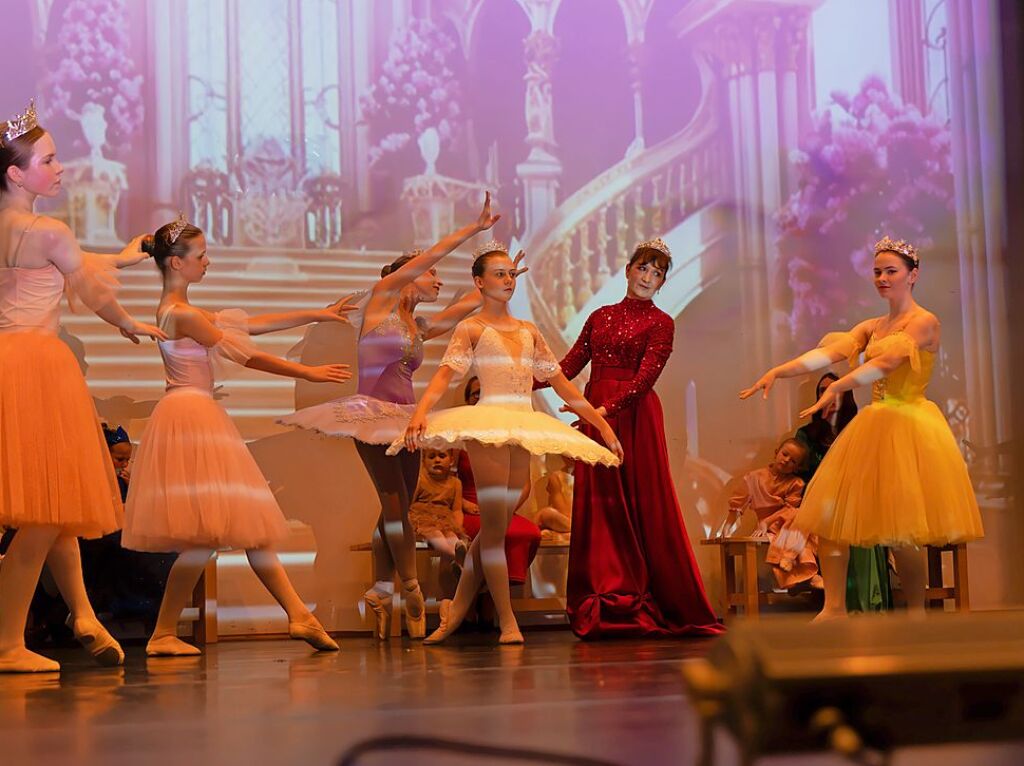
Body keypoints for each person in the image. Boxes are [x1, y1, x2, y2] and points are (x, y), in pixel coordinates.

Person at [122, 213, 352, 656]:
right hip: (191, 418)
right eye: (201, 255)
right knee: (213, 536)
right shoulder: (181, 313)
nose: (207, 261)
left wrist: (317, 313)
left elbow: (252, 325)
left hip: (196, 411)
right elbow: (246, 355)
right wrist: (307, 371)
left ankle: (296, 617)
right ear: (177, 263)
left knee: (243, 532)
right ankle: (166, 632)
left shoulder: (182, 310)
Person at [279, 193, 504, 640]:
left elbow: (463, 308)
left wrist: (497, 281)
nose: (437, 281)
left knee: (396, 506)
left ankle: (382, 587)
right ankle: (411, 586)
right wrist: (473, 230)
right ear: (412, 275)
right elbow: (432, 255)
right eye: (431, 274)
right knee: (396, 505)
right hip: (370, 416)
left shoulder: (417, 326)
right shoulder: (380, 303)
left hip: (407, 417)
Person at [0, 100, 167, 672]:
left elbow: (76, 264)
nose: (61, 167)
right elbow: (89, 290)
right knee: (42, 515)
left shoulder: (25, 230)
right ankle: (7, 643)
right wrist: (129, 322)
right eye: (48, 160)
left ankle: (83, 613)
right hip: (38, 367)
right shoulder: (47, 229)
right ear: (16, 174)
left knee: (51, 498)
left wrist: (123, 257)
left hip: (6, 362)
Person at [741, 235, 984, 619]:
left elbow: (886, 365)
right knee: (834, 521)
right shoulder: (873, 325)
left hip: (908, 425)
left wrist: (840, 384)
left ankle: (917, 612)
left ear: (912, 274)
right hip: (873, 427)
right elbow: (827, 353)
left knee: (902, 530)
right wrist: (779, 371)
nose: (883, 278)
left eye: (891, 271)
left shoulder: (924, 322)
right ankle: (834, 608)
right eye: (877, 272)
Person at [397, 239, 624, 645]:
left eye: (511, 274)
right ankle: (507, 620)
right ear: (478, 283)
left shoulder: (529, 330)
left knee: (495, 528)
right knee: (495, 529)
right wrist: (419, 412)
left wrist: (602, 426)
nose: (508, 280)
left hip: (522, 422)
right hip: (488, 423)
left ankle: (455, 613)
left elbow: (564, 387)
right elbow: (445, 376)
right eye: (498, 274)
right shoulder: (471, 327)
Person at [550, 238, 724, 639]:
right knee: (600, 505)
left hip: (634, 415)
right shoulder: (599, 316)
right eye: (643, 268)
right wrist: (527, 376)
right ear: (627, 270)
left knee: (644, 501)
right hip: (598, 411)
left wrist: (601, 412)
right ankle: (603, 591)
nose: (648, 277)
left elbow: (645, 380)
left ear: (662, 283)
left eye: (657, 273)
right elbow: (571, 364)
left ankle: (648, 596)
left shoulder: (662, 322)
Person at [795, 374, 890, 612]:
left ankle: (869, 606)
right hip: (824, 502)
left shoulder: (860, 428)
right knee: (833, 527)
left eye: (835, 389)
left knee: (863, 529)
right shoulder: (807, 434)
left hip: (859, 498)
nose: (828, 395)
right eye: (822, 391)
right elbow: (803, 473)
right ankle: (836, 608)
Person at [717, 438, 822, 590]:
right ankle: (808, 576)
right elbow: (737, 505)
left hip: (788, 523)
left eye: (793, 461)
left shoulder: (796, 483)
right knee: (799, 526)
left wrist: (767, 522)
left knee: (799, 517)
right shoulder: (753, 477)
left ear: (797, 467)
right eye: (785, 454)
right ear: (776, 453)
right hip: (769, 527)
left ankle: (791, 563)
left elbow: (790, 510)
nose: (786, 460)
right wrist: (726, 528)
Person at [409, 448, 468, 566]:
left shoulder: (455, 483)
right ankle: (456, 558)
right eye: (431, 457)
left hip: (444, 518)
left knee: (450, 534)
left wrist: (457, 527)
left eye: (442, 456)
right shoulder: (420, 479)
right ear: (423, 461)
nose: (437, 460)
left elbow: (457, 510)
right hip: (423, 518)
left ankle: (458, 549)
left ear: (451, 460)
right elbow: (409, 503)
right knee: (435, 534)